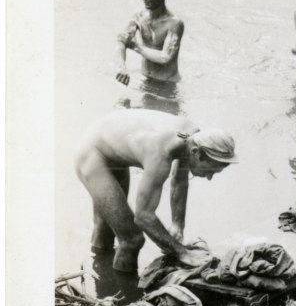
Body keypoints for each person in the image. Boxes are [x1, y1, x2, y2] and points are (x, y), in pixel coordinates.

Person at [74, 109, 238, 273]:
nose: (209, 178)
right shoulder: (161, 153)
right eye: (210, 171)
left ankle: (99, 272)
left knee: (107, 225)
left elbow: (179, 181)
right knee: (132, 239)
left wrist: (177, 225)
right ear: (196, 153)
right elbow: (143, 216)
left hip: (108, 142)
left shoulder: (193, 137)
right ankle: (125, 294)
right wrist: (181, 252)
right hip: (92, 154)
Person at [115, 0, 184, 85]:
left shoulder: (175, 23)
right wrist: (122, 67)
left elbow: (165, 58)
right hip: (145, 80)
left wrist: (136, 46)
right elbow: (121, 42)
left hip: (167, 85)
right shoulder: (138, 17)